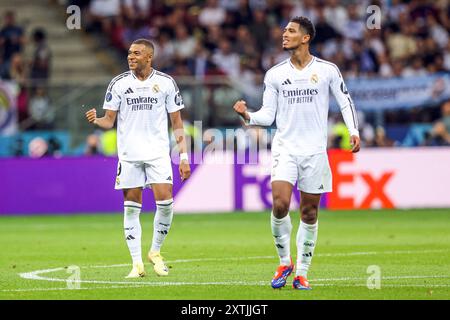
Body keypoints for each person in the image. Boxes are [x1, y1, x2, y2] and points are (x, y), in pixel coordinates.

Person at [233, 16, 360, 290]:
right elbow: (268, 116)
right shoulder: (275, 74)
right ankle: (284, 261)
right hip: (285, 148)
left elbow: (345, 102)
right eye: (284, 30)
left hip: (314, 151)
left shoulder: (327, 70)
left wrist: (354, 131)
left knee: (309, 212)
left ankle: (302, 273)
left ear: (306, 38)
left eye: (291, 31)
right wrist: (247, 115)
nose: (284, 34)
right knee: (279, 204)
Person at [85, 39, 191, 278]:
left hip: (157, 154)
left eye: (136, 53)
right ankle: (136, 264)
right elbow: (108, 121)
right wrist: (96, 120)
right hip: (130, 156)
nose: (131, 57)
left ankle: (155, 251)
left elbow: (177, 122)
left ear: (149, 57)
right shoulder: (119, 84)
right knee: (131, 209)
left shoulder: (165, 83)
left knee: (166, 204)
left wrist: (183, 157)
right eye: (129, 53)